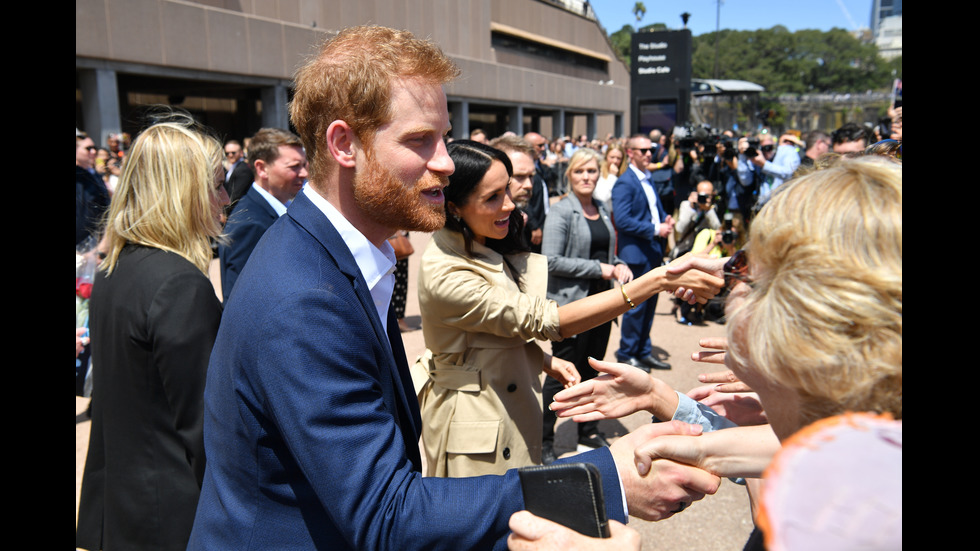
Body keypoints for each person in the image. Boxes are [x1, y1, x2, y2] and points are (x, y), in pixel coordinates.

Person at [189, 26, 724, 551]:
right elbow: (385, 514)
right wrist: (603, 479)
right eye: (420, 140)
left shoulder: (331, 259)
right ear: (344, 143)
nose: (446, 161)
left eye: (443, 137)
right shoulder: (303, 293)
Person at [548, 155, 902, 549]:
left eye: (741, 267)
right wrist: (667, 407)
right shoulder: (865, 439)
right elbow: (788, 445)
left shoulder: (851, 516)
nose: (726, 281)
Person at [76, 113, 229, 551]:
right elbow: (206, 430)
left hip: (123, 506)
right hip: (173, 516)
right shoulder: (179, 284)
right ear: (184, 193)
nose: (225, 198)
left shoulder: (115, 268)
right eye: (218, 184)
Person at [540, 148, 632, 464]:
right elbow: (550, 260)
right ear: (570, 175)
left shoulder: (602, 208)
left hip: (602, 306)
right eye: (580, 171)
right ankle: (543, 438)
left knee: (594, 368)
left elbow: (606, 253)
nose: (587, 177)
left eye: (592, 171)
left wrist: (617, 265)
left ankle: (587, 430)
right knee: (560, 373)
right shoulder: (562, 211)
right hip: (572, 306)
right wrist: (600, 269)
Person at [218, 127, 308, 302]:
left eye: (303, 165)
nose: (304, 173)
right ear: (261, 168)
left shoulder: (286, 210)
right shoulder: (250, 225)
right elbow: (242, 303)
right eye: (294, 166)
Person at [610, 134, 675, 371]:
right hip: (635, 255)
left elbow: (653, 209)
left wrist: (664, 218)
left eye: (651, 150)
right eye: (643, 150)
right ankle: (627, 355)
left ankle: (643, 351)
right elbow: (623, 220)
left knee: (649, 307)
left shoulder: (648, 178)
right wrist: (657, 228)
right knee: (635, 308)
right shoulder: (625, 183)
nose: (649, 154)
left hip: (652, 251)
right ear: (630, 153)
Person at [76, 131, 110, 246]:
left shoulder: (93, 173)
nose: (93, 151)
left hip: (97, 239)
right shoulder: (78, 176)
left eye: (94, 147)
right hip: (81, 242)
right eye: (88, 148)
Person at [593, 142, 626, 210]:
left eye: (618, 158)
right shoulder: (600, 173)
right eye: (612, 157)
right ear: (606, 157)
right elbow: (601, 198)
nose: (615, 161)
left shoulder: (625, 173)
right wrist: (612, 176)